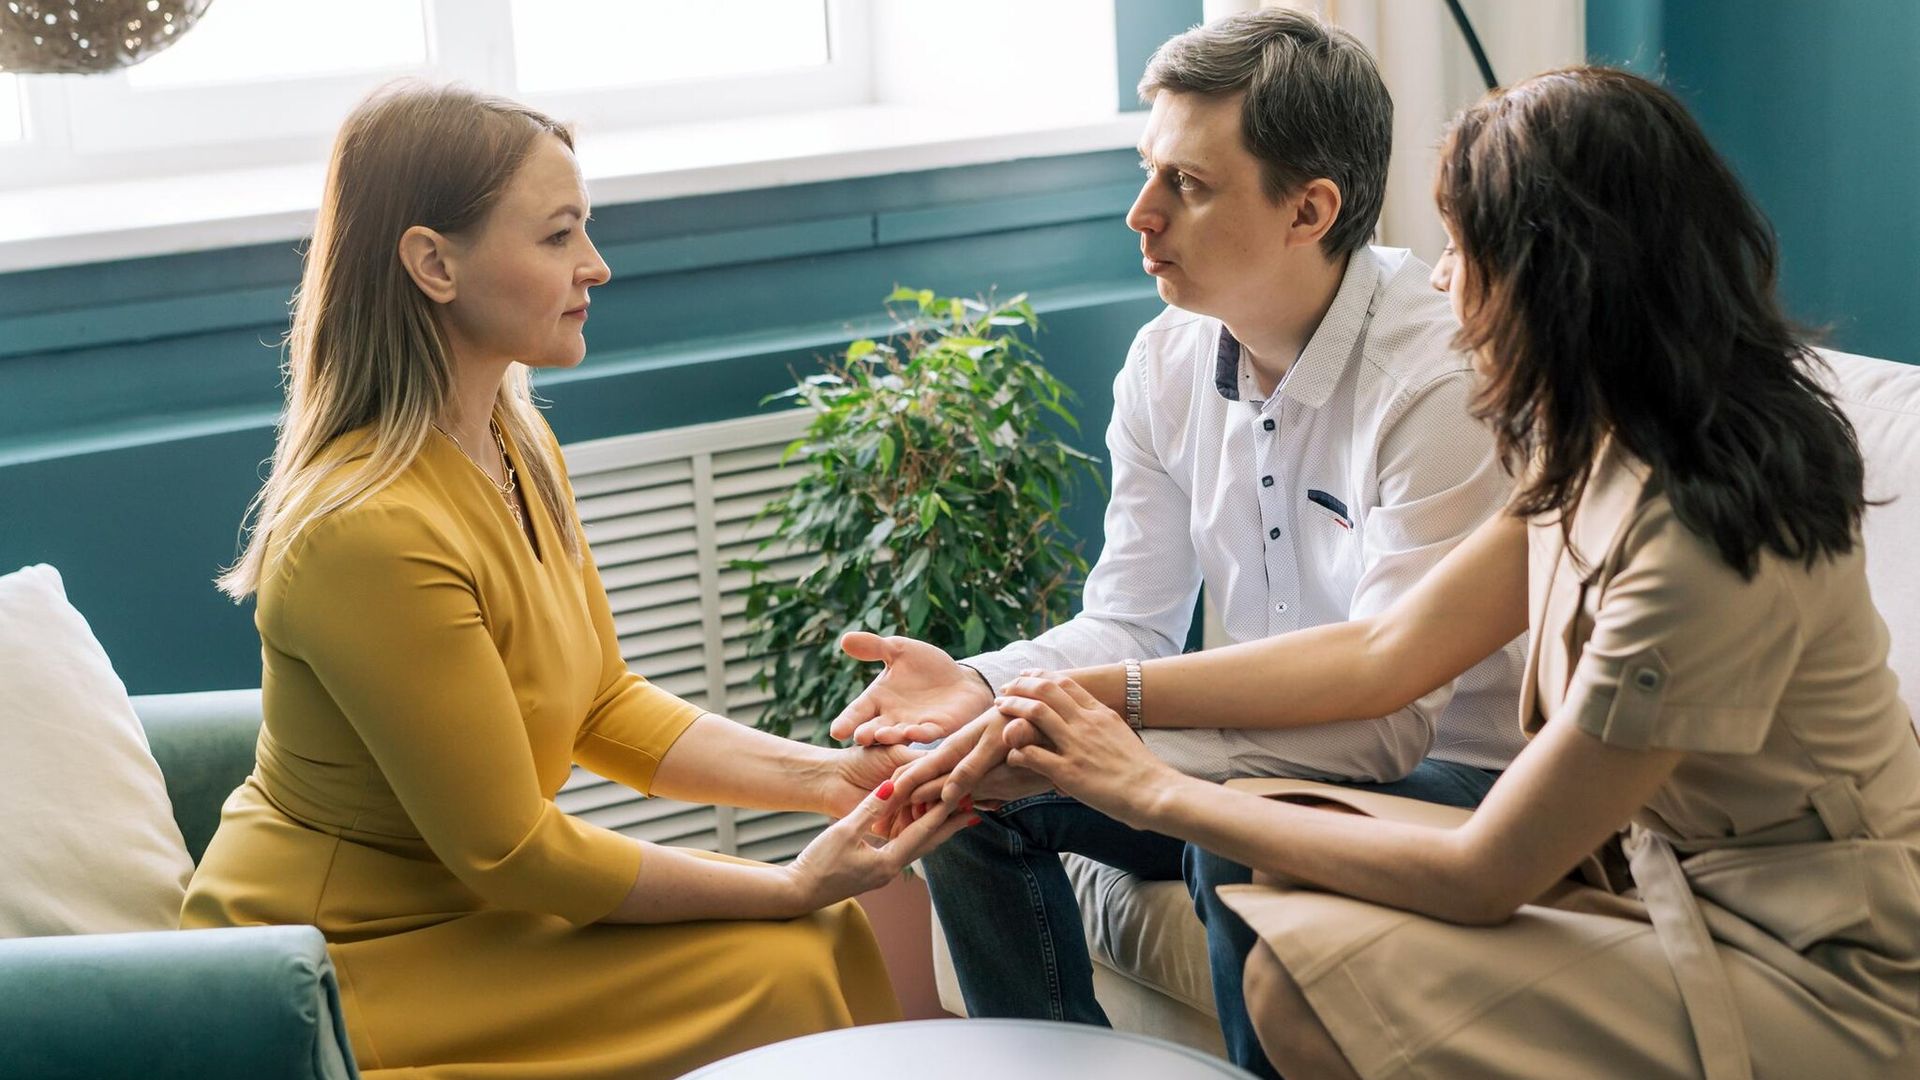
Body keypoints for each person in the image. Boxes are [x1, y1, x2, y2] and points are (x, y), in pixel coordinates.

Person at [961, 66, 1920, 1078]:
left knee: (1291, 971)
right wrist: (1066, 696)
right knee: (1258, 849)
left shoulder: (1703, 534)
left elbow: (1484, 871)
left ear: (1556, 279)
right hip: (1660, 884)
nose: (1436, 277)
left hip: (1812, 965)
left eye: (1462, 251)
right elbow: (1387, 651)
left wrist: (1151, 790)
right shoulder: (1592, 450)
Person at [181, 81, 969, 1080]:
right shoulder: (366, 532)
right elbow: (511, 854)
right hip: (345, 957)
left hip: (470, 917)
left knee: (822, 940)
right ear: (432, 262)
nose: (594, 266)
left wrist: (829, 781)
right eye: (557, 237)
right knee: (790, 953)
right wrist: (785, 885)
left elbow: (602, 702)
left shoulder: (517, 441)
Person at [834, 10, 1524, 1072]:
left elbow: (1385, 726)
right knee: (963, 786)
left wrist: (1090, 736)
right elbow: (1128, 622)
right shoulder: (1162, 363)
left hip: (1451, 771)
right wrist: (982, 689)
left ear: (1310, 210)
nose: (1139, 214)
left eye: (1187, 187)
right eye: (1147, 172)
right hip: (1254, 745)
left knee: (1229, 833)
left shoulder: (1434, 382)